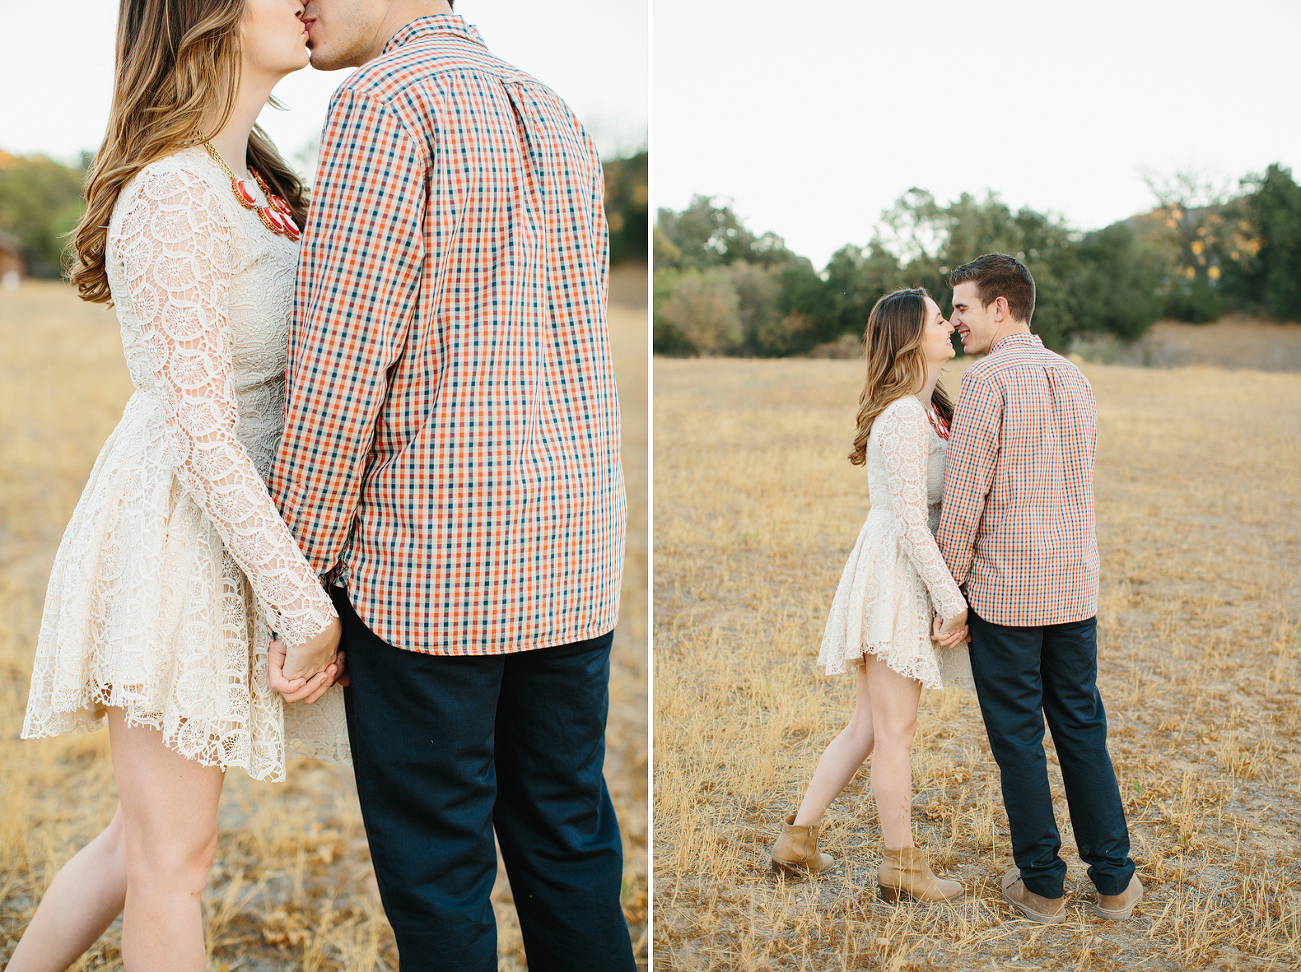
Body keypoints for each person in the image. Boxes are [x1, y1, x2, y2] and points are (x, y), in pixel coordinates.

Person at [263, 2, 635, 969]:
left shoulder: (382, 102)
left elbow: (340, 371)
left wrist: (289, 581)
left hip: (436, 565)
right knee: (568, 835)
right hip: (572, 548)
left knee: (438, 872)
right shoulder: (552, 109)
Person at [11, 2, 349, 970]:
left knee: (141, 845)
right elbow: (200, 431)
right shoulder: (170, 194)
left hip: (237, 533)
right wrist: (302, 607)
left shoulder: (255, 186)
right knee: (172, 859)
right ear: (203, 15)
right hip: (178, 538)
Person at [937, 252, 1141, 924]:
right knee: (1081, 727)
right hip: (1072, 589)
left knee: (1019, 739)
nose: (955, 320)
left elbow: (964, 501)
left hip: (1005, 595)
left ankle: (1043, 888)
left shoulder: (985, 382)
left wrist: (947, 588)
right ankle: (1113, 884)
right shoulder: (1074, 377)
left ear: (1000, 307)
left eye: (961, 306)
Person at [770, 288, 972, 904]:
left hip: (899, 564)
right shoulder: (906, 417)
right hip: (897, 573)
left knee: (867, 724)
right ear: (914, 338)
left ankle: (797, 840)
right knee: (894, 730)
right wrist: (952, 601)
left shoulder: (927, 406)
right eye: (941, 319)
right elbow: (912, 521)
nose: (951, 326)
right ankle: (901, 865)